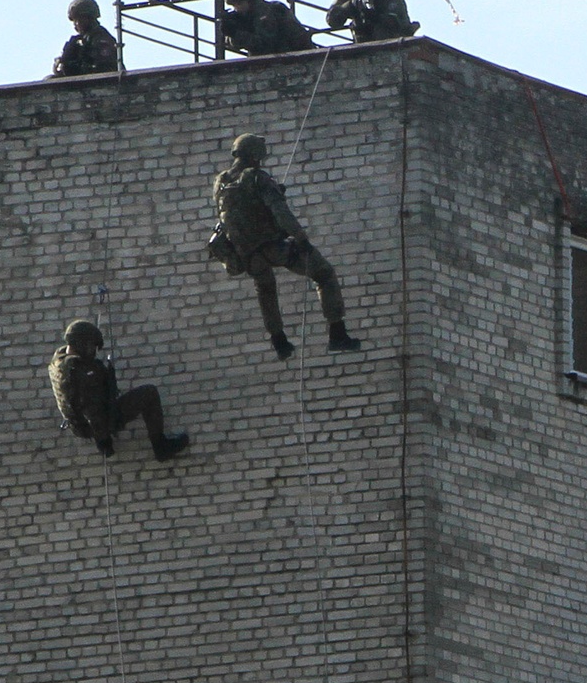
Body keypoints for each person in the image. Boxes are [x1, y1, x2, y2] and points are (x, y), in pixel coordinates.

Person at [211, 134, 361, 360]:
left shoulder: (221, 182)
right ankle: (337, 334)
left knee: (266, 291)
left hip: (247, 255)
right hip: (274, 247)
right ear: (255, 155)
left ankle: (280, 343)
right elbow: (281, 213)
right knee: (324, 273)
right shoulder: (257, 178)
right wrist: (301, 239)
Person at [49, 320, 189, 462]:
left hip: (79, 425)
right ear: (81, 344)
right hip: (101, 421)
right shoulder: (82, 371)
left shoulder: (59, 361)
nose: (93, 352)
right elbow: (90, 408)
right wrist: (103, 440)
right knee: (149, 393)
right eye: (91, 347)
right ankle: (161, 448)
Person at [221, 0, 314, 57]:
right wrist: (231, 33)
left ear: (250, 0)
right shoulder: (247, 16)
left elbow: (264, 45)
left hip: (292, 58)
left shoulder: (268, 12)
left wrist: (236, 33)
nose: (237, 9)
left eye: (239, 4)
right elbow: (235, 45)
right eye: (234, 6)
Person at [51, 0, 119, 77]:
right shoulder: (77, 41)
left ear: (88, 18)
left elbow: (104, 69)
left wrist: (73, 67)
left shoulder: (100, 38)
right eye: (74, 21)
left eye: (78, 20)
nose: (76, 24)